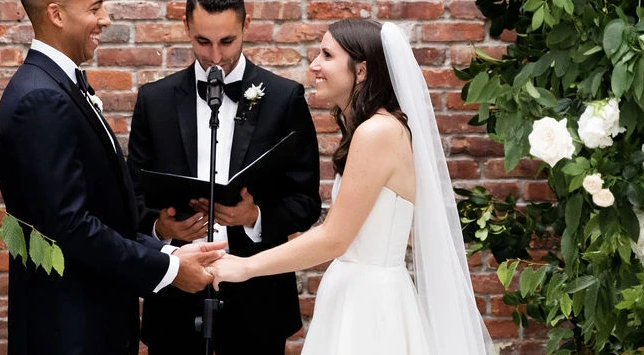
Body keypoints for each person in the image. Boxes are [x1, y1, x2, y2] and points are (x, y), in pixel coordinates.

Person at [210, 19, 493, 355]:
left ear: (361, 72)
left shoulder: (377, 133)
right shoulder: (375, 129)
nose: (314, 65)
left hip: (369, 307)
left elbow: (334, 238)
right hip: (358, 294)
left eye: (327, 55)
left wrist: (246, 266)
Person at [0, 0, 225, 355]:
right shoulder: (42, 98)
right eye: (95, 8)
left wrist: (167, 250)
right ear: (57, 14)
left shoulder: (56, 85)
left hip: (87, 319)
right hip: (69, 328)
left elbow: (98, 212)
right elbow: (68, 225)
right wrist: (168, 271)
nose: (106, 19)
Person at [127, 0, 321, 355]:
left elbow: (305, 201)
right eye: (203, 42)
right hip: (175, 292)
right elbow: (133, 193)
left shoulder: (284, 98)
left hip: (258, 295)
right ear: (186, 28)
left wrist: (255, 216)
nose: (215, 55)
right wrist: (159, 227)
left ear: (246, 25)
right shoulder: (155, 100)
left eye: (227, 42)